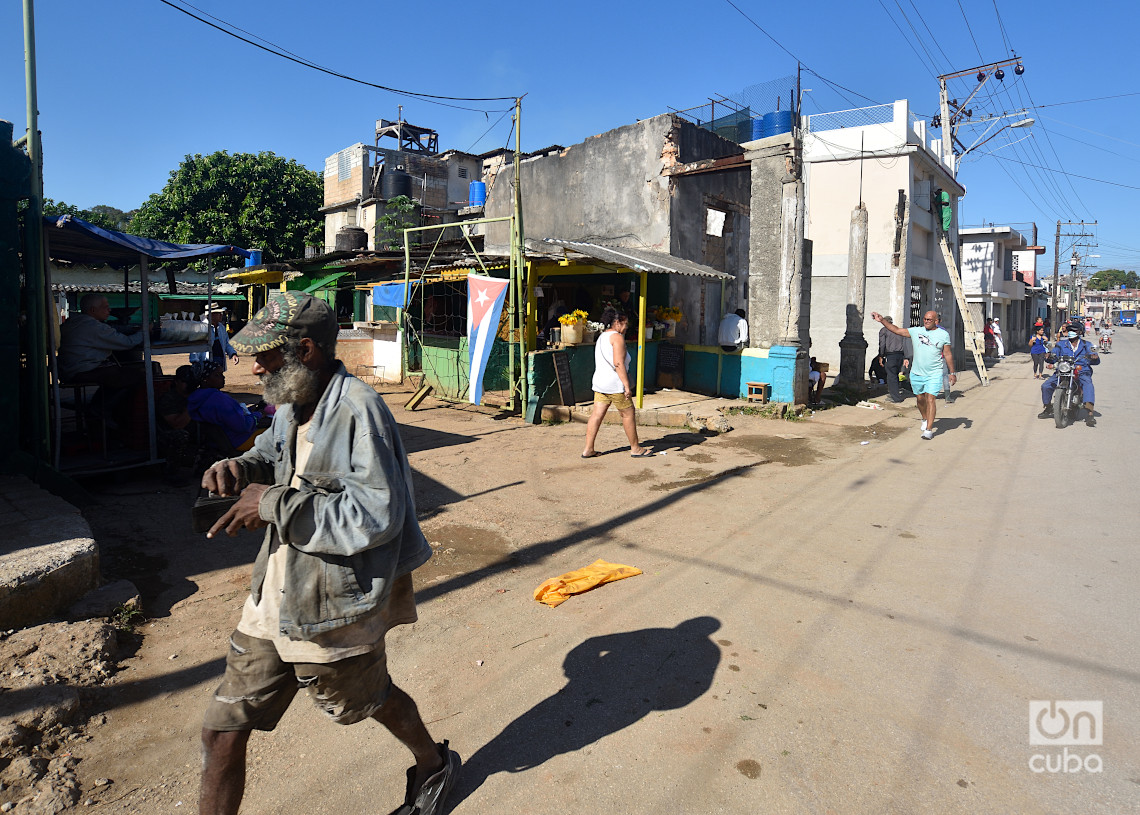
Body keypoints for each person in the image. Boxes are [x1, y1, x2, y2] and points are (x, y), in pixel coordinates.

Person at [197, 292, 459, 815]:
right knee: (221, 730)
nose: (254, 365)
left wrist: (273, 503)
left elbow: (376, 516)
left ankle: (433, 764)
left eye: (267, 355)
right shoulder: (292, 403)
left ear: (307, 350)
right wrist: (240, 467)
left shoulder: (362, 410)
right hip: (274, 597)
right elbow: (270, 453)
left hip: (332, 603)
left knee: (368, 699)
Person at [872, 310, 956, 440]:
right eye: (925, 319)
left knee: (930, 399)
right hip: (917, 373)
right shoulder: (917, 331)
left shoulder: (943, 334)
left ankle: (928, 429)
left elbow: (948, 354)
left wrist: (952, 372)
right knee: (920, 399)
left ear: (936, 321)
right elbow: (897, 330)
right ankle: (924, 417)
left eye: (929, 319)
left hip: (934, 373)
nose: (926, 321)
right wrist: (882, 320)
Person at [581, 306, 652, 458]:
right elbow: (618, 364)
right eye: (625, 323)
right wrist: (626, 385)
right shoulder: (617, 338)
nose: (626, 327)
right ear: (618, 322)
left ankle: (588, 449)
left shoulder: (602, 337)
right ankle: (635, 448)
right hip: (615, 385)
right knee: (628, 414)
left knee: (596, 415)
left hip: (600, 383)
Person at [57, 293, 154, 387]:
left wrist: (132, 329)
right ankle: (109, 403)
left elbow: (113, 330)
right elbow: (128, 343)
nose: (109, 310)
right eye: (105, 307)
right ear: (93, 310)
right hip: (83, 371)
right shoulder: (94, 327)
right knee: (142, 374)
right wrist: (144, 331)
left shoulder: (73, 322)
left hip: (66, 371)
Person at [187, 362, 268, 454]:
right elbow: (243, 426)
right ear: (205, 379)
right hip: (239, 441)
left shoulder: (196, 398)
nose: (223, 377)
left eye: (222, 374)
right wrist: (259, 414)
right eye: (217, 375)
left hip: (217, 442)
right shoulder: (219, 399)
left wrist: (249, 411)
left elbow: (227, 417)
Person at [1038, 321, 1099, 427]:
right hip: (1064, 370)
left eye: (1074, 330)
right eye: (1070, 330)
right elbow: (1054, 354)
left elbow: (1095, 358)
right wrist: (1049, 356)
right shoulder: (1061, 344)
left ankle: (1089, 414)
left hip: (1081, 371)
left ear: (1080, 332)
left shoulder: (1086, 345)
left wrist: (1094, 357)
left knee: (1088, 385)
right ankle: (1048, 407)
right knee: (1046, 386)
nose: (1071, 332)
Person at [190, 304, 239, 371]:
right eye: (219, 313)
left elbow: (227, 343)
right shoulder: (201, 328)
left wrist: (233, 354)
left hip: (219, 361)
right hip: (206, 362)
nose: (221, 315)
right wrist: (194, 361)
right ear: (211, 315)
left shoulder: (221, 327)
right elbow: (195, 346)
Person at [875, 315, 911, 403]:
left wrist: (881, 355)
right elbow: (904, 344)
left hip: (891, 355)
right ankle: (895, 393)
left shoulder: (884, 330)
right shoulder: (898, 330)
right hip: (900, 355)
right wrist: (906, 357)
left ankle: (895, 397)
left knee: (891, 376)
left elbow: (882, 344)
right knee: (895, 375)